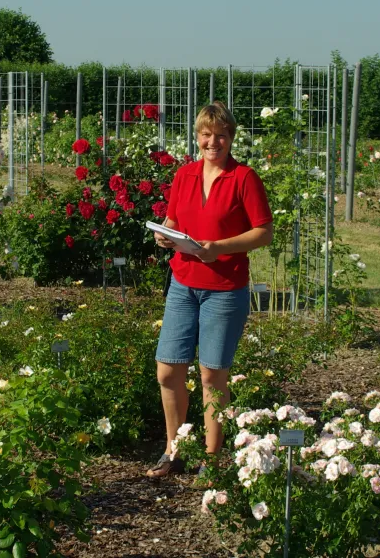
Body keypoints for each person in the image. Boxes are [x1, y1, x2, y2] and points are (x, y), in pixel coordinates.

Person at [146, 101, 273, 478]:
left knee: (211, 375)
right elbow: (173, 218)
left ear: (231, 138)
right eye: (205, 134)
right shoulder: (184, 176)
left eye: (220, 135)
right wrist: (164, 236)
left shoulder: (244, 178)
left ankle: (212, 459)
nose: (211, 141)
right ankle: (174, 449)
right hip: (183, 283)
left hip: (224, 288)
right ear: (197, 136)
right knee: (168, 370)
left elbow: (264, 232)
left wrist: (219, 248)